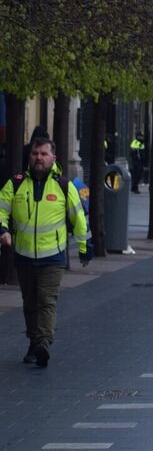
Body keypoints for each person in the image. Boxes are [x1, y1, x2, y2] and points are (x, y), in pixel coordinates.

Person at [0, 136, 92, 367]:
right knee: (29, 302)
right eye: (35, 153)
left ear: (53, 158)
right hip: (24, 255)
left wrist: (84, 247)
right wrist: (3, 229)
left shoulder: (63, 186)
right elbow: (1, 209)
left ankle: (43, 342)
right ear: (29, 156)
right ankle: (33, 341)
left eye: (43, 154)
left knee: (46, 300)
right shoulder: (16, 183)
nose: (39, 158)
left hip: (53, 257)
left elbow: (78, 218)